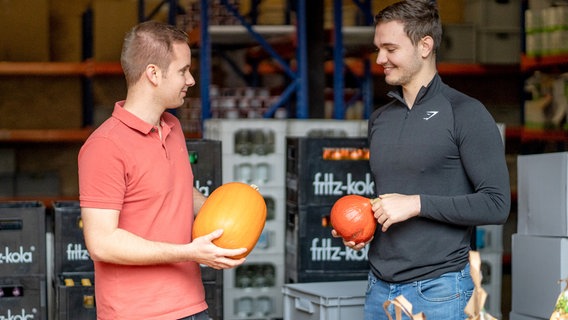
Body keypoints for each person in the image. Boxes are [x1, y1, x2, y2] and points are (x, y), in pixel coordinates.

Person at [332, 1, 511, 319]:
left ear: (425, 45)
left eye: (390, 48)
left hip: (438, 291)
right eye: (378, 48)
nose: (379, 59)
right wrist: (364, 229)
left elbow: (496, 205)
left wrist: (416, 204)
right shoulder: (380, 119)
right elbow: (392, 197)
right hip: (378, 288)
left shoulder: (466, 113)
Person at [78, 21, 247, 320]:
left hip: (192, 305)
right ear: (153, 73)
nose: (191, 80)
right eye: (183, 70)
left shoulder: (173, 126)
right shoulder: (104, 146)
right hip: (137, 313)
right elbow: (102, 243)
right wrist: (188, 252)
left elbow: (180, 192)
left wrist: (236, 211)